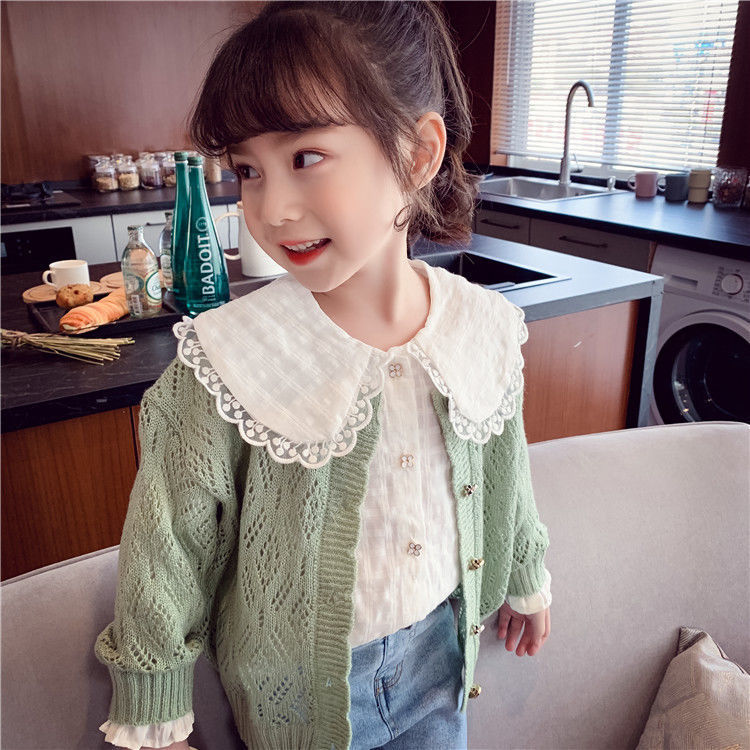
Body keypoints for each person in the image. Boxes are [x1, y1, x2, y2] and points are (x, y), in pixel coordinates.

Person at [94, 3, 552, 749]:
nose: (271, 209)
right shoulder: (228, 357)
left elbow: (506, 462)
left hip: (442, 656)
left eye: (305, 157)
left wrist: (525, 573)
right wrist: (155, 709)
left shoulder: (483, 324)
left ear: (417, 154)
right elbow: (167, 544)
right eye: (248, 170)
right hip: (298, 698)